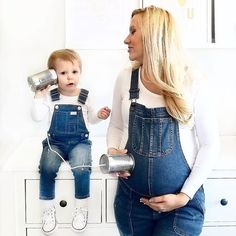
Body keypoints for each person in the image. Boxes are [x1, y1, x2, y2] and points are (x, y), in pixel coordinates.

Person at [106, 5, 219, 236]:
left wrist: (183, 196)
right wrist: (112, 150)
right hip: (131, 204)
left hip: (181, 206)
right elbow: (116, 125)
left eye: (133, 31)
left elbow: (210, 144)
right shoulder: (125, 78)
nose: (126, 39)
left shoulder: (192, 79)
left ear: (153, 36)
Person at [31, 49, 111, 235]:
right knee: (47, 167)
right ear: (53, 75)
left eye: (74, 72)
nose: (69, 77)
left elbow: (90, 119)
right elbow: (37, 116)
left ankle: (81, 209)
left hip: (79, 143)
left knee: (82, 167)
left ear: (80, 72)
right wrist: (38, 97)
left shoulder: (85, 95)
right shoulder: (51, 96)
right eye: (63, 73)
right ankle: (48, 210)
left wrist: (99, 116)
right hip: (55, 143)